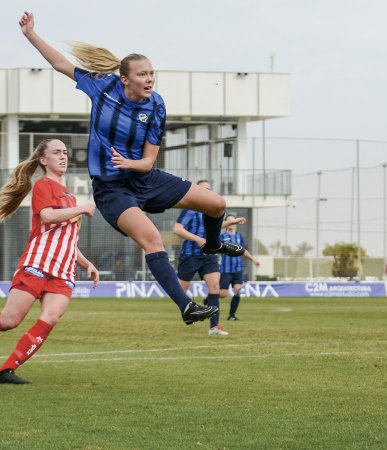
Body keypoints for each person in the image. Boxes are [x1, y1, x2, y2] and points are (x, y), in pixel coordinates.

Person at [20, 11, 245, 326]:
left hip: (145, 178)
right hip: (112, 190)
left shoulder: (157, 105)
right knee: (152, 239)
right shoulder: (102, 88)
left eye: (152, 73)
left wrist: (130, 163)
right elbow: (61, 64)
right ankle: (187, 307)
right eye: (143, 74)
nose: (149, 79)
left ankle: (212, 242)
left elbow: (150, 159)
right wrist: (31, 34)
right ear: (125, 78)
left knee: (217, 204)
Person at [0, 139, 99, 384]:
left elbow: (67, 239)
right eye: (56, 152)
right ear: (44, 160)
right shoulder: (44, 185)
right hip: (38, 263)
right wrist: (82, 209)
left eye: (65, 152)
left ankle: (6, 370)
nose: (63, 156)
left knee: (51, 316)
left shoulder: (70, 197)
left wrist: (86, 263)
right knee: (8, 320)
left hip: (63, 271)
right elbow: (47, 216)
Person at [172, 182, 246, 336]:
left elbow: (215, 227)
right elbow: (177, 229)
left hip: (210, 255)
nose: (207, 192)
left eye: (209, 189)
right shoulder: (190, 210)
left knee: (215, 287)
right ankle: (189, 312)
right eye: (203, 189)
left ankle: (214, 327)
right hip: (190, 255)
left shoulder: (212, 210)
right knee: (181, 291)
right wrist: (198, 239)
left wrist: (231, 222)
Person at [218, 214, 260, 321]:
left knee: (237, 290)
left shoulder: (239, 236)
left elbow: (243, 251)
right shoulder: (221, 236)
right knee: (223, 294)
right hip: (225, 269)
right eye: (229, 221)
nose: (232, 223)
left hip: (237, 269)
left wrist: (253, 259)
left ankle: (231, 315)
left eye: (233, 220)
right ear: (227, 223)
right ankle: (210, 297)